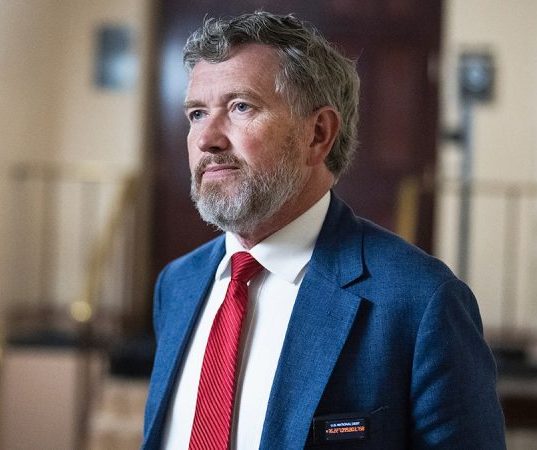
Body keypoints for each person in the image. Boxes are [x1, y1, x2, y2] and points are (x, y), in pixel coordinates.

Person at [143, 11, 506, 450]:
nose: (207, 139)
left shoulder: (421, 301)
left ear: (318, 133)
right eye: (197, 113)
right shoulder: (176, 285)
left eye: (241, 107)